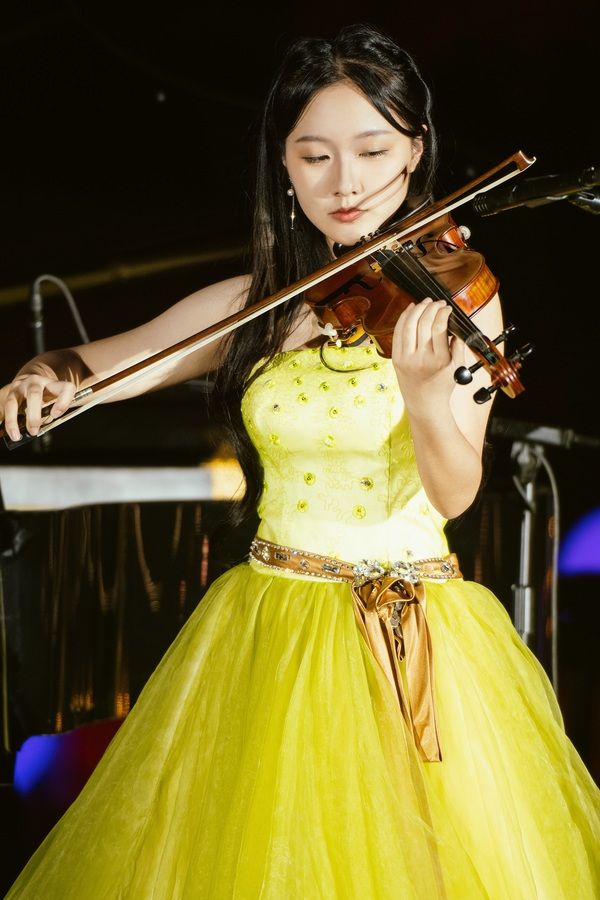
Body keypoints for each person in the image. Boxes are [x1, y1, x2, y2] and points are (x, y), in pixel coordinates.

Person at [1, 22, 599, 900]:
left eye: (372, 151)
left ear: (416, 152)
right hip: (269, 621)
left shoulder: (458, 298)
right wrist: (42, 374)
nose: (344, 182)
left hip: (409, 630)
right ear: (283, 165)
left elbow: (455, 492)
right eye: (315, 155)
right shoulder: (258, 304)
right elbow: (95, 365)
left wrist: (424, 393)